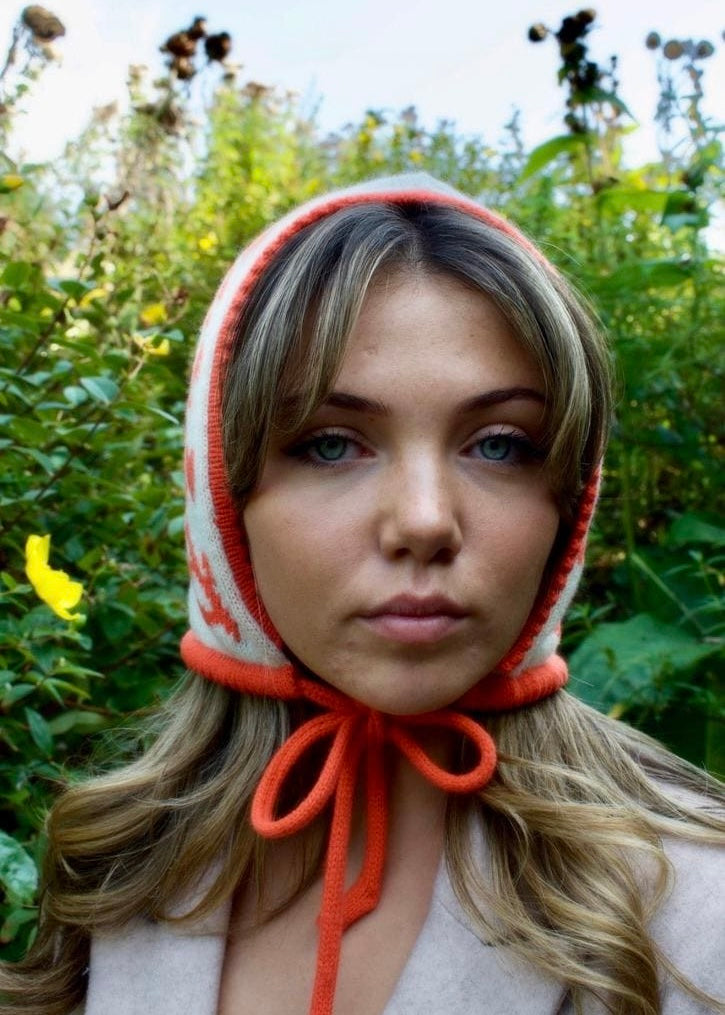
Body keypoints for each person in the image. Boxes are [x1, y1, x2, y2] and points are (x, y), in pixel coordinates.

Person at [1, 174, 723, 1015]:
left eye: (500, 445)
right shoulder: (114, 862)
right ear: (222, 500)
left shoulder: (697, 908)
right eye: (330, 443)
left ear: (568, 501)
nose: (423, 520)